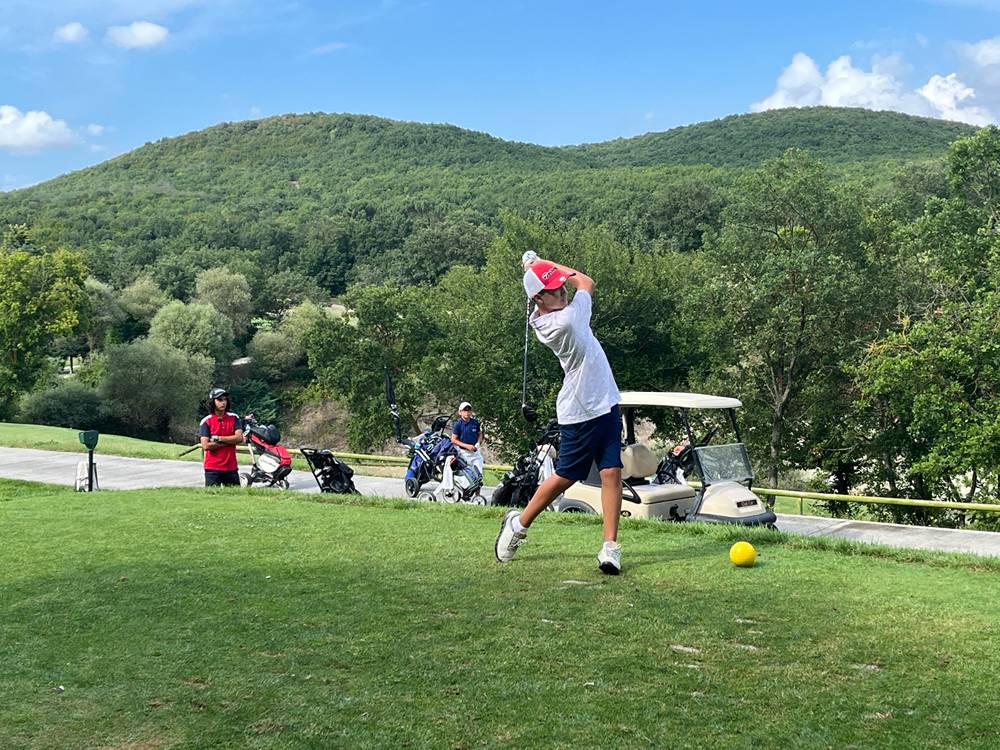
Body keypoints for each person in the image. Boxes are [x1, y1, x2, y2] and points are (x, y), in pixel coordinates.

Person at [494, 251, 624, 574]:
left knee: (611, 472)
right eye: (555, 290)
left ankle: (610, 547)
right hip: (580, 411)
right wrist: (547, 264)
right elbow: (586, 282)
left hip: (606, 401)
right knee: (566, 476)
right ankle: (518, 525)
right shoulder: (565, 321)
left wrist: (540, 269)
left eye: (562, 287)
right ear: (539, 298)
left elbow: (570, 285)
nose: (563, 292)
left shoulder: (552, 309)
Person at [199, 387, 244, 486]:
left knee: (235, 494)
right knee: (213, 495)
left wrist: (219, 439)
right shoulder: (206, 421)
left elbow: (239, 438)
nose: (223, 402)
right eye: (219, 400)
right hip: (212, 468)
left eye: (225, 400)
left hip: (231, 467)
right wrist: (229, 441)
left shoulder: (234, 418)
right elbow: (206, 445)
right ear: (212, 402)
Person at [451, 401, 485, 475]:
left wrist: (478, 443)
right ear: (460, 412)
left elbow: (480, 433)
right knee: (468, 476)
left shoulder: (475, 422)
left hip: (475, 452)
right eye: (464, 411)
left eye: (469, 410)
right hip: (464, 453)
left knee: (479, 475)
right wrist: (467, 446)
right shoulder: (458, 424)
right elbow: (453, 439)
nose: (467, 412)